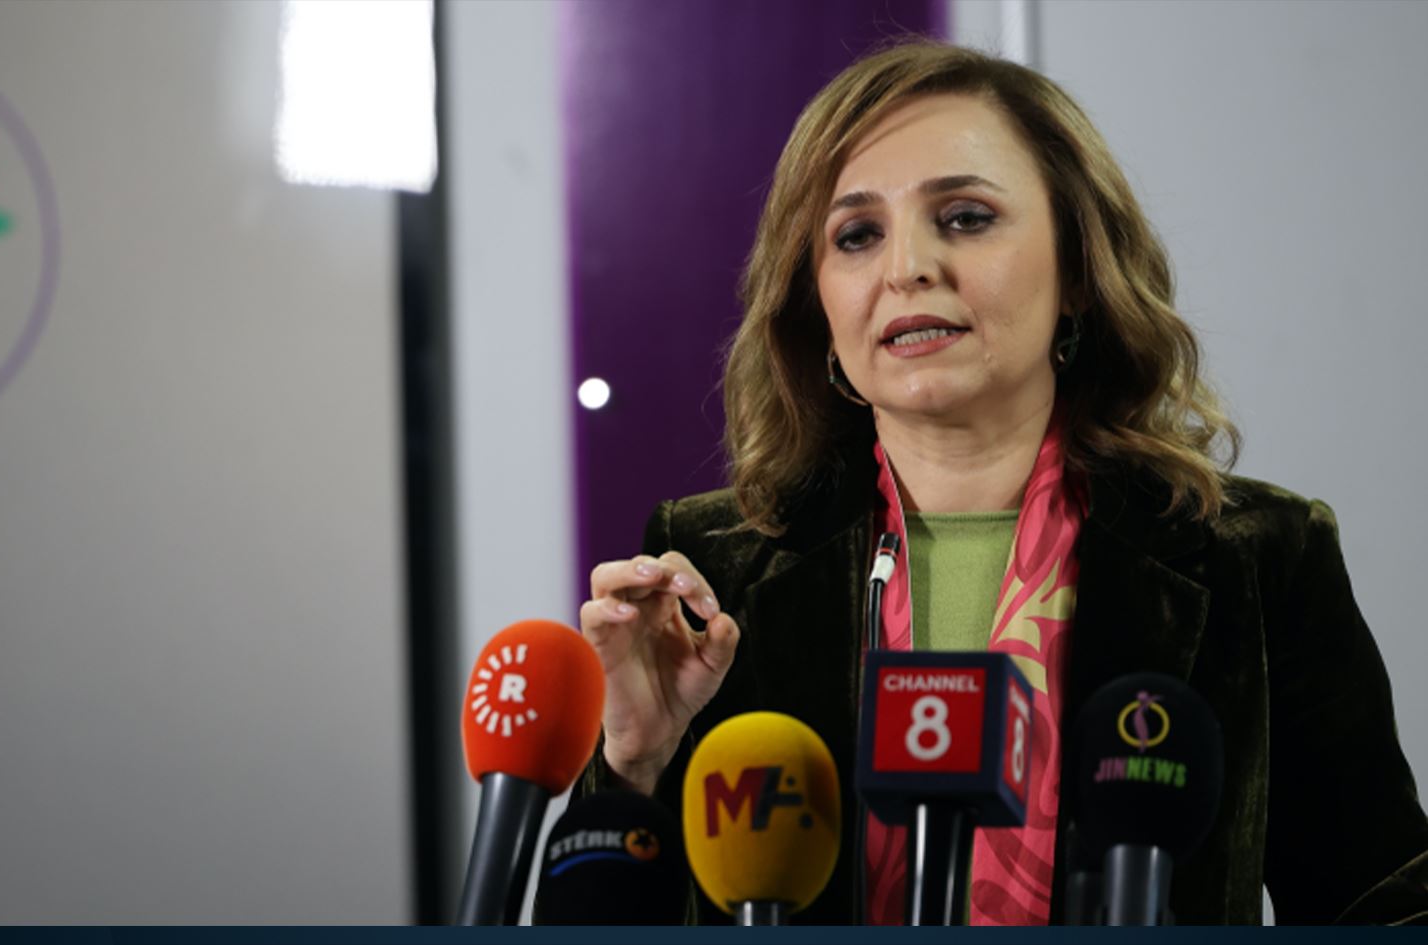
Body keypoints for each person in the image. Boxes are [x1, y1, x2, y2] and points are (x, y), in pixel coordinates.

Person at [568, 38, 1428, 925]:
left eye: (966, 217)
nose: (907, 267)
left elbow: (1386, 900)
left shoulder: (1258, 558)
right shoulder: (711, 569)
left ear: (1079, 269)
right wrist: (632, 762)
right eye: (857, 235)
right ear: (817, 300)